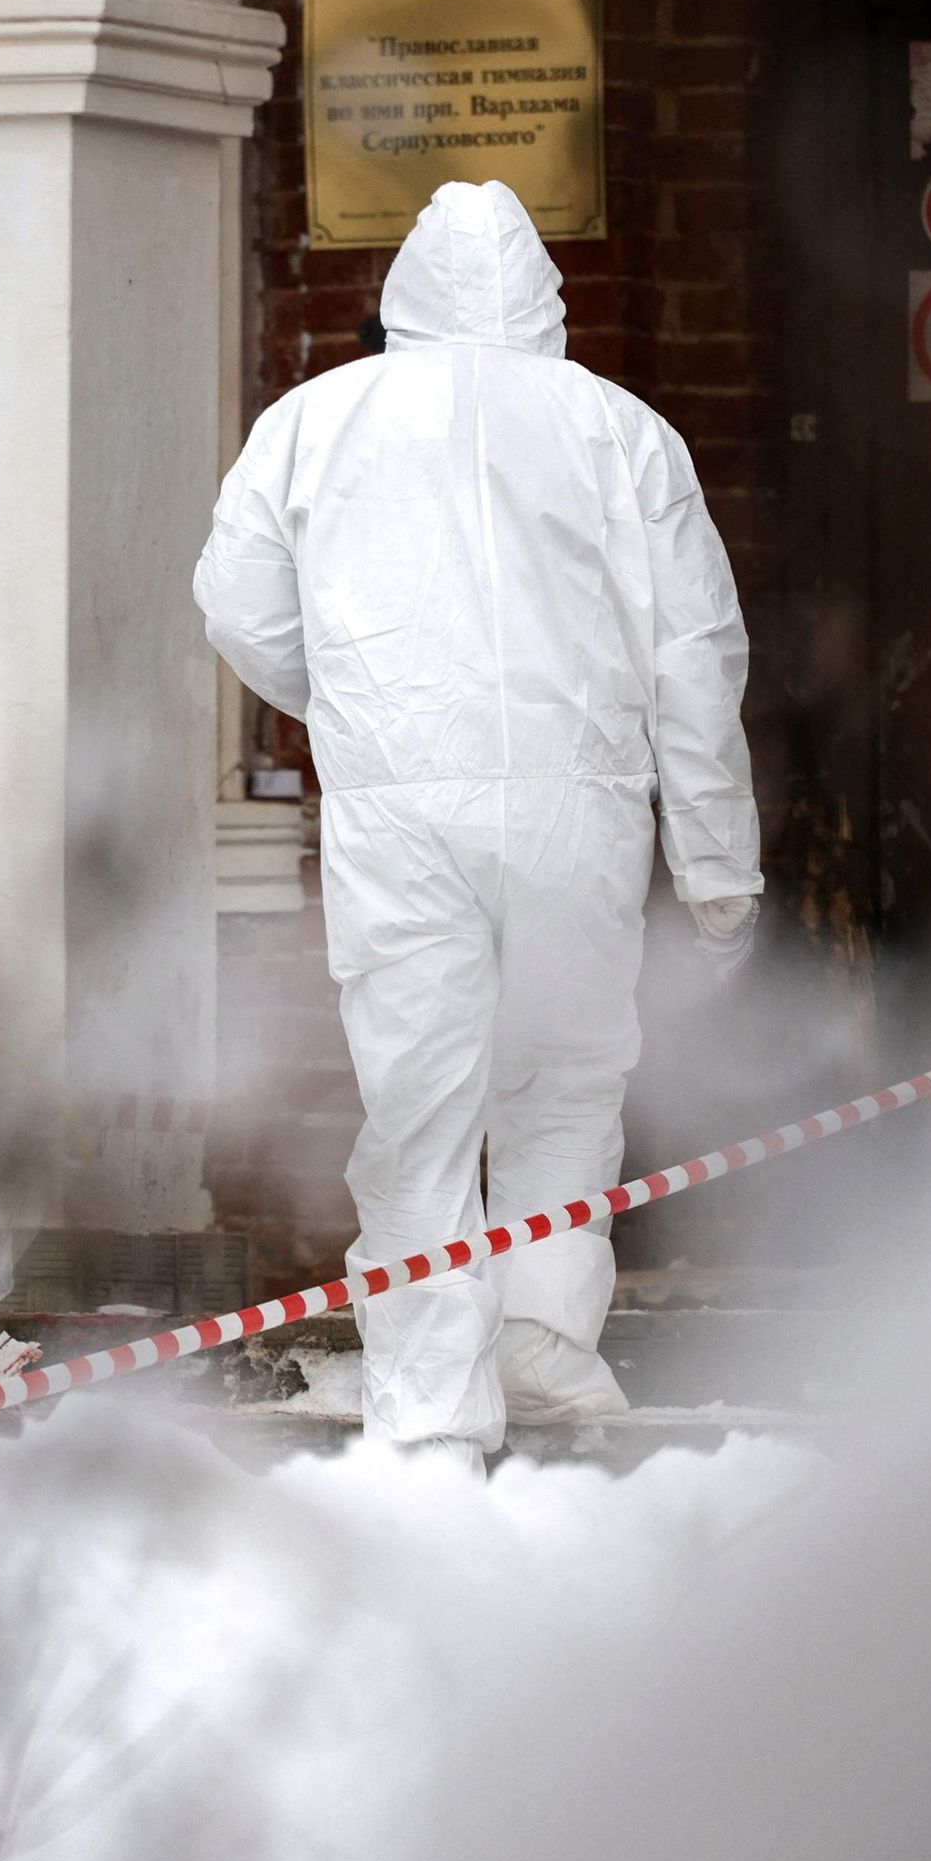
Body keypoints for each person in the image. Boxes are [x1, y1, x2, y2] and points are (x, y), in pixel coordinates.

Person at [195, 182, 761, 1455]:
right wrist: (718, 857)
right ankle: (547, 1348)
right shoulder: (621, 432)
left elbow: (236, 604)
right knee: (562, 1084)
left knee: (418, 1098)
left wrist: (343, 701)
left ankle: (433, 1397)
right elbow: (695, 653)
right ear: (543, 292)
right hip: (582, 802)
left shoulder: (311, 424)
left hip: (398, 805)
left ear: (403, 286)